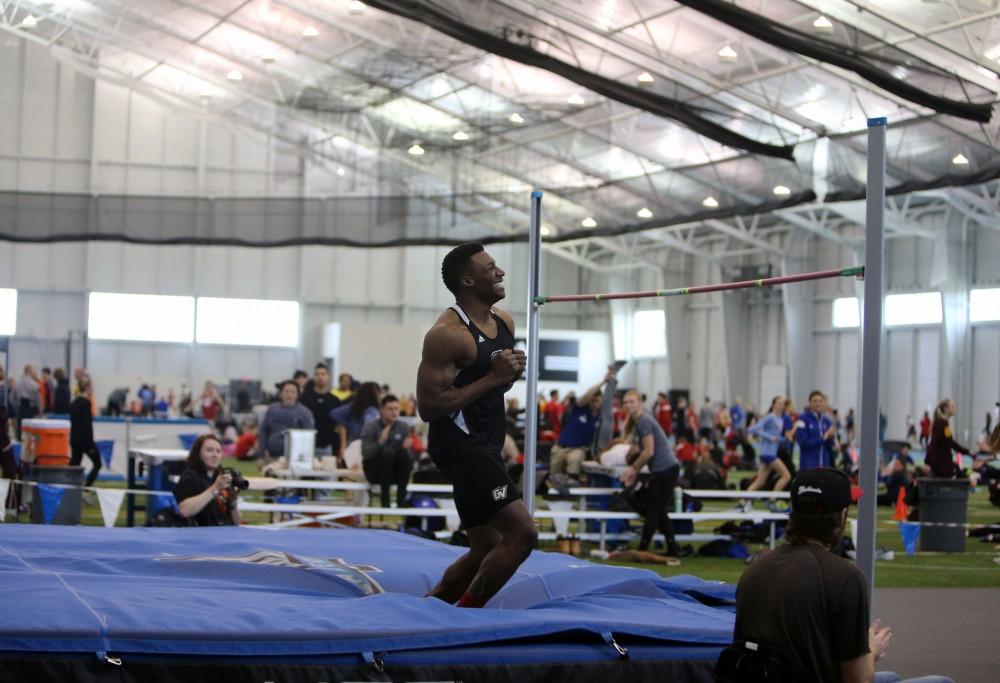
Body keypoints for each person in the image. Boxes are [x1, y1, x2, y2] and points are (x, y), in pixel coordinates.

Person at [724, 467, 953, 683]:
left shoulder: (755, 570)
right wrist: (871, 649)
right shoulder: (843, 577)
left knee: (891, 676)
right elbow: (858, 679)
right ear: (841, 516)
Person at [418, 242, 534, 608]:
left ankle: (427, 608)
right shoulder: (447, 334)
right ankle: (464, 617)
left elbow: (497, 382)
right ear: (468, 281)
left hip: (487, 442)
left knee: (486, 546)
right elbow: (429, 406)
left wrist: (510, 374)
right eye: (490, 268)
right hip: (458, 443)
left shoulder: (504, 321)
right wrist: (492, 378)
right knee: (522, 535)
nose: (500, 272)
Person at [619, 389, 681, 557]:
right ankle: (673, 548)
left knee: (653, 509)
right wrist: (632, 456)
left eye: (632, 401)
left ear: (640, 403)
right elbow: (642, 449)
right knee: (659, 510)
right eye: (626, 402)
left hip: (665, 469)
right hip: (665, 469)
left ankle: (642, 549)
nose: (628, 405)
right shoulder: (639, 421)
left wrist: (633, 469)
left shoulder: (644, 421)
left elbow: (649, 452)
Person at [549, 372, 611, 477]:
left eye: (597, 400)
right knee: (554, 477)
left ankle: (572, 487)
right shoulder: (580, 408)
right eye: (592, 400)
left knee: (575, 462)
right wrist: (603, 382)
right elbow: (587, 395)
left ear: (601, 401)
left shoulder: (601, 417)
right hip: (560, 447)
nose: (594, 403)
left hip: (578, 449)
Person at [174, 434, 241, 526]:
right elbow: (184, 511)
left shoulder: (220, 477)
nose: (215, 455)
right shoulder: (190, 476)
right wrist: (215, 488)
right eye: (209, 450)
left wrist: (233, 503)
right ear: (198, 454)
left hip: (224, 534)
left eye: (218, 451)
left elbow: (237, 523)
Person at [360, 394, 414, 508]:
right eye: (390, 409)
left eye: (396, 409)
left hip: (396, 472)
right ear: (382, 410)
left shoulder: (403, 427)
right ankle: (385, 501)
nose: (394, 412)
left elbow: (409, 459)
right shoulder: (370, 427)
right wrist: (380, 441)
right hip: (375, 471)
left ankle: (401, 499)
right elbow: (366, 453)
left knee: (404, 455)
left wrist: (406, 449)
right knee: (387, 454)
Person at [256, 380, 315, 461]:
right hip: (272, 457)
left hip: (295, 459)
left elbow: (309, 439)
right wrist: (260, 456)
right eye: (286, 391)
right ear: (281, 394)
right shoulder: (272, 409)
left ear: (297, 395)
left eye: (292, 392)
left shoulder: (305, 413)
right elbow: (263, 432)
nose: (289, 395)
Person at [745, 396, 793, 495]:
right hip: (768, 454)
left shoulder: (780, 419)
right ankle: (772, 500)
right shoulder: (770, 417)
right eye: (779, 403)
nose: (781, 406)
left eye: (782, 404)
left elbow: (776, 438)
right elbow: (752, 429)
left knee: (759, 482)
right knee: (786, 476)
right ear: (773, 405)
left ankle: (742, 502)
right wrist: (768, 437)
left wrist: (786, 439)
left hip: (770, 453)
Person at [330, 381, 382, 462]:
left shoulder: (353, 408)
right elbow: (370, 425)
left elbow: (334, 413)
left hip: (351, 447)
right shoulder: (372, 411)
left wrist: (344, 426)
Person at [924, 399, 970, 479]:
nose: (955, 408)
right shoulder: (941, 424)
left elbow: (950, 442)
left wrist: (967, 451)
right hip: (941, 465)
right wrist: (927, 461)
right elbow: (934, 443)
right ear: (945, 409)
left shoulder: (945, 424)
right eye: (952, 406)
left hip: (945, 463)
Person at [69, 378, 101, 489]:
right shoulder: (86, 403)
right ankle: (86, 488)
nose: (92, 390)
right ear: (87, 388)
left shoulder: (73, 403)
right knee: (97, 464)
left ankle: (69, 488)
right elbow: (87, 425)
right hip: (85, 441)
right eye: (91, 387)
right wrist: (90, 444)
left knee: (74, 465)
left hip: (74, 439)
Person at [300, 363, 337, 456]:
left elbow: (340, 425)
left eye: (323, 374)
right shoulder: (304, 398)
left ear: (328, 377)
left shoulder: (334, 400)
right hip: (306, 445)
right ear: (314, 377)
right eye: (317, 374)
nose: (320, 377)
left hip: (327, 446)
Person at [795, 390, 837, 470]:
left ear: (824, 402)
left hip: (824, 465)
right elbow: (803, 443)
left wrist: (831, 437)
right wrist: (823, 438)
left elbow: (830, 445)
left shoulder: (826, 420)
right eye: (814, 401)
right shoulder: (803, 419)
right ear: (809, 403)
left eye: (820, 401)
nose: (817, 404)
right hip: (808, 465)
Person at [13, 365, 41, 439]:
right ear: (30, 371)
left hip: (20, 409)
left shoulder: (17, 384)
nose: (36, 373)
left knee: (19, 430)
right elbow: (37, 400)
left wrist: (16, 409)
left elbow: (13, 399)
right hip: (31, 409)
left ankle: (19, 443)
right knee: (32, 430)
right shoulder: (35, 384)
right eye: (34, 371)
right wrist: (39, 412)